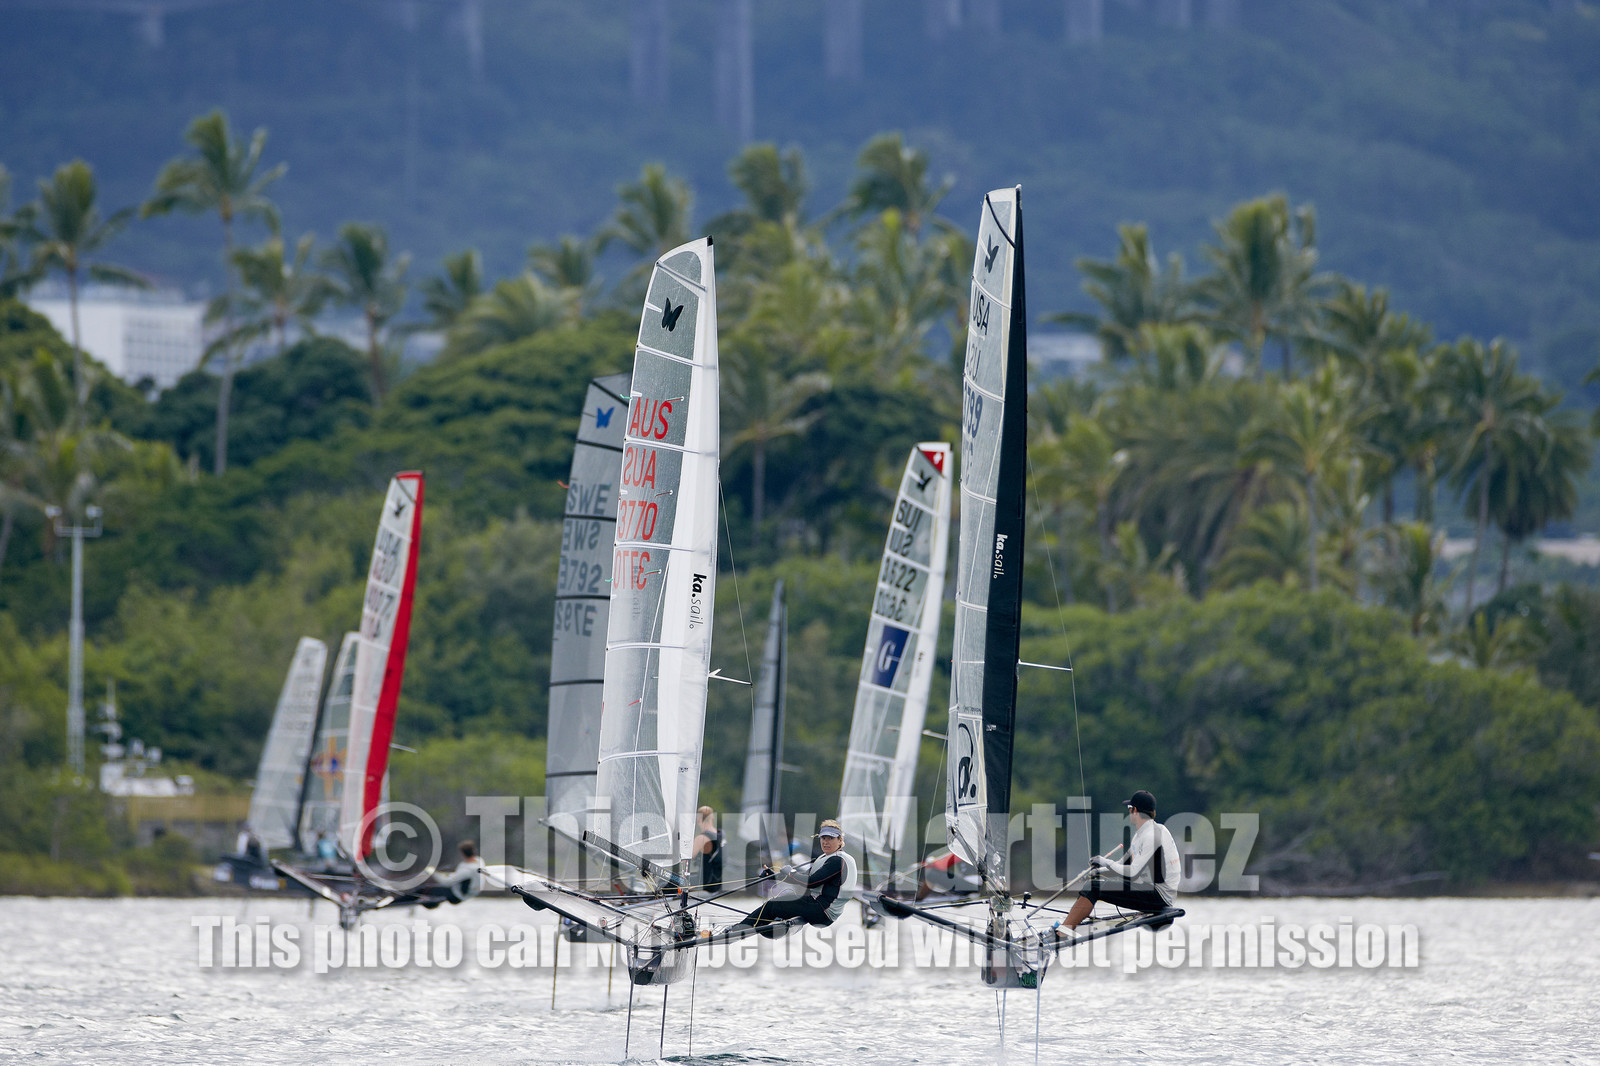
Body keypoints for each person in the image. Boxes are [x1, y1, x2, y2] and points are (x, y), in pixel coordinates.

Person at [1054, 791, 1179, 941]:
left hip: (1159, 897)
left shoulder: (1152, 836)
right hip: (1149, 889)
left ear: (1134, 810)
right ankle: (1068, 926)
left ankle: (1063, 933)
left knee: (1094, 887)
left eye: (1129, 809)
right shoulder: (1142, 834)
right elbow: (1121, 866)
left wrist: (1106, 862)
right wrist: (1097, 872)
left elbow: (1132, 873)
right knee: (1093, 883)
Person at [736, 820, 858, 938]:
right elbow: (804, 877)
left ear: (840, 840)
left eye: (830, 838)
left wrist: (791, 873)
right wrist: (775, 876)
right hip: (819, 907)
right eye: (823, 838)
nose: (825, 842)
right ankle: (752, 926)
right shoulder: (828, 858)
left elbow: (811, 882)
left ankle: (740, 929)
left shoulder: (836, 860)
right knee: (776, 905)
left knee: (771, 905)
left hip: (821, 911)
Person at [693, 806, 724, 890]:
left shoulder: (702, 838)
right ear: (712, 818)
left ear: (698, 820)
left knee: (666, 882)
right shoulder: (721, 834)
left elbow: (685, 857)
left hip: (706, 883)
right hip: (719, 882)